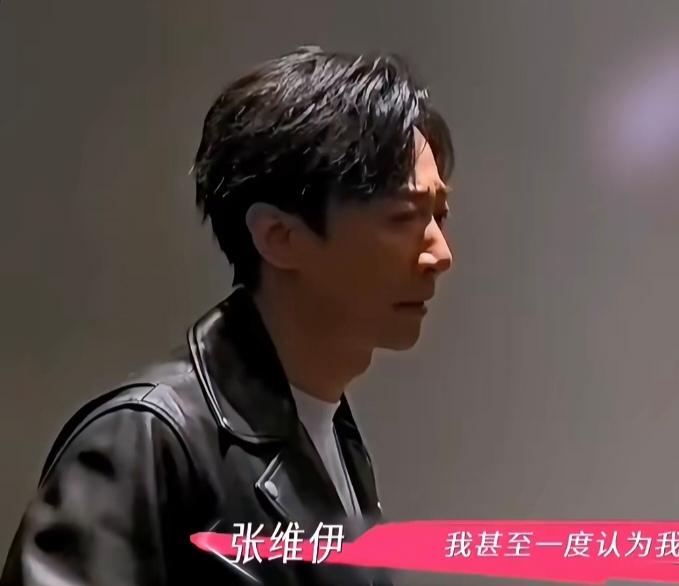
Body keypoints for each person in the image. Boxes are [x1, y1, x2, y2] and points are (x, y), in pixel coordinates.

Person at [0, 46, 454, 586]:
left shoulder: (333, 433)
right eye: (404, 217)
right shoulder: (146, 438)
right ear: (278, 236)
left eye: (439, 216)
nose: (440, 253)